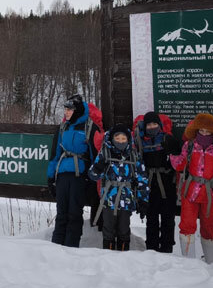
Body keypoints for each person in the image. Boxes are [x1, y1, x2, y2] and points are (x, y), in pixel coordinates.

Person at [170, 113, 213, 263]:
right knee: (186, 227)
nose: (204, 134)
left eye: (208, 131)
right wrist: (172, 155)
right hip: (190, 193)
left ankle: (212, 263)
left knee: (209, 230)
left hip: (211, 196)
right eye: (201, 130)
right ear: (196, 130)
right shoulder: (189, 146)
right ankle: (189, 264)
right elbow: (180, 165)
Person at [46, 94, 98, 247]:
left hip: (79, 176)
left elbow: (95, 156)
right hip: (62, 175)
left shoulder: (89, 128)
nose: (66, 113)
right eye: (65, 110)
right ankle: (55, 247)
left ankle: (71, 248)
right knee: (61, 213)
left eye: (69, 110)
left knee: (75, 213)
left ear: (77, 111)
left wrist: (92, 181)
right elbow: (55, 154)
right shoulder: (63, 128)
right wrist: (51, 178)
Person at [88, 123, 149, 251]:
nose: (120, 141)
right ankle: (108, 256)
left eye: (123, 139)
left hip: (126, 199)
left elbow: (142, 178)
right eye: (117, 138)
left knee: (124, 229)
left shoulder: (133, 155)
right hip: (108, 198)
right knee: (108, 229)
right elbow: (93, 175)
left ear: (128, 140)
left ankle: (123, 256)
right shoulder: (105, 153)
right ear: (112, 139)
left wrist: (143, 199)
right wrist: (99, 167)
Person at [134, 111, 180, 253]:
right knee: (151, 217)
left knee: (168, 218)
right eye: (149, 124)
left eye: (154, 124)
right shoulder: (140, 142)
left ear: (159, 125)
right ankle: (151, 248)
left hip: (167, 184)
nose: (152, 127)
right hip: (150, 185)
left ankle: (167, 248)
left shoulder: (168, 139)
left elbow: (179, 160)